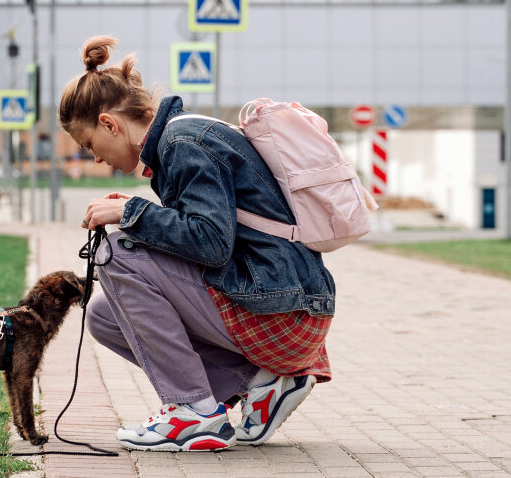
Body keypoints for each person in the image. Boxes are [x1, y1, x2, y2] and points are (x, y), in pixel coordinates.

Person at [58, 36, 334, 452]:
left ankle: (195, 412)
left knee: (112, 254)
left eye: (90, 145)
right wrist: (138, 216)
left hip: (285, 314)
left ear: (109, 124)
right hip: (283, 308)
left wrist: (134, 214)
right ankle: (260, 382)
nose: (97, 159)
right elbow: (211, 233)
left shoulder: (184, 142)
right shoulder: (178, 144)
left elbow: (211, 244)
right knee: (103, 315)